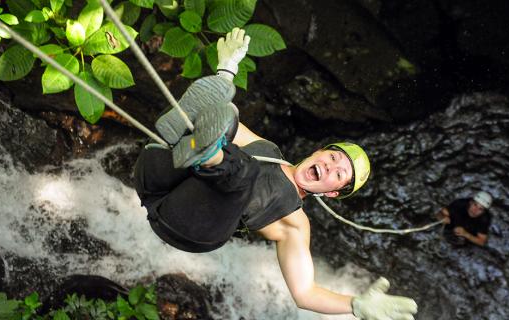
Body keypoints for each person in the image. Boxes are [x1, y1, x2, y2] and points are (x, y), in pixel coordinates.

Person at [134, 28, 418, 320]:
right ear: (318, 151)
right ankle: (197, 138)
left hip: (186, 226)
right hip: (155, 182)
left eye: (339, 173)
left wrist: (356, 305)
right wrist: (227, 66)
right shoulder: (266, 148)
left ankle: (208, 154)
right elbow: (217, 114)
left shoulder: (294, 223)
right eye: (333, 157)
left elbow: (305, 293)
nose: (331, 166)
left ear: (332, 192)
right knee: (227, 117)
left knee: (243, 170)